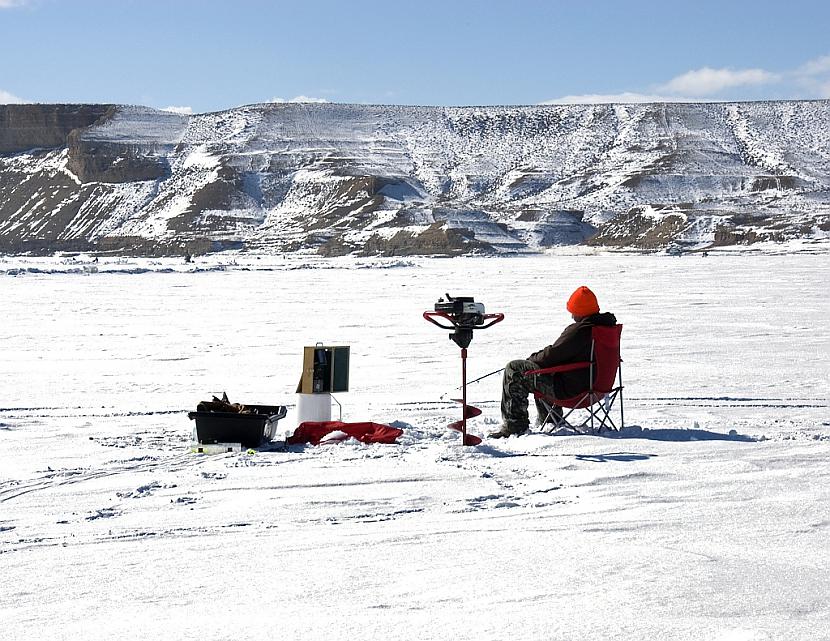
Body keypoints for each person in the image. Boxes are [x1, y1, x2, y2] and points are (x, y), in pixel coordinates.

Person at [489, 285, 618, 438]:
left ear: (580, 311)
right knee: (547, 369)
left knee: (515, 368)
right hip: (598, 387)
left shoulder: (581, 330)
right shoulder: (606, 327)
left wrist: (530, 360)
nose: (572, 316)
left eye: (573, 311)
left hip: (573, 391)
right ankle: (551, 419)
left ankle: (515, 425)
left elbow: (552, 355)